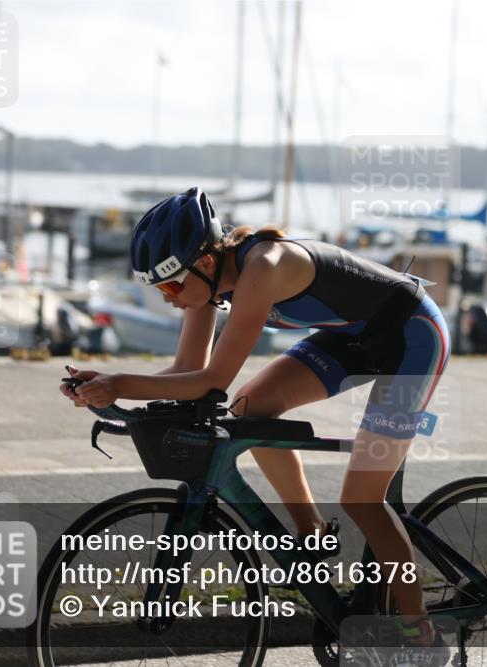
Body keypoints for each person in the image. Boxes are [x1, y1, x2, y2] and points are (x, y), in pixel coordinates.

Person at [60, 187, 451, 654]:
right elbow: (187, 371)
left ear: (206, 263)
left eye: (171, 287)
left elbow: (212, 380)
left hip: (412, 337)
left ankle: (421, 635)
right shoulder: (205, 283)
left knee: (362, 498)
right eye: (160, 290)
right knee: (250, 408)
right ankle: (312, 536)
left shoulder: (263, 266)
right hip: (352, 337)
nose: (169, 299)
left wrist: (120, 384)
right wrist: (108, 384)